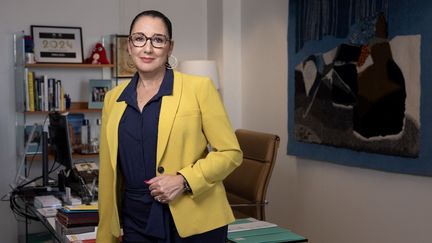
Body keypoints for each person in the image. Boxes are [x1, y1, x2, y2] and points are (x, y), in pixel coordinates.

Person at [96, 10, 243, 243]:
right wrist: (105, 235)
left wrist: (184, 180)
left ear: (169, 47)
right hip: (136, 220)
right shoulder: (113, 99)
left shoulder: (199, 88)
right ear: (129, 46)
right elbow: (107, 173)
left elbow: (231, 153)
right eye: (139, 38)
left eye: (157, 39)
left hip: (196, 221)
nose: (148, 48)